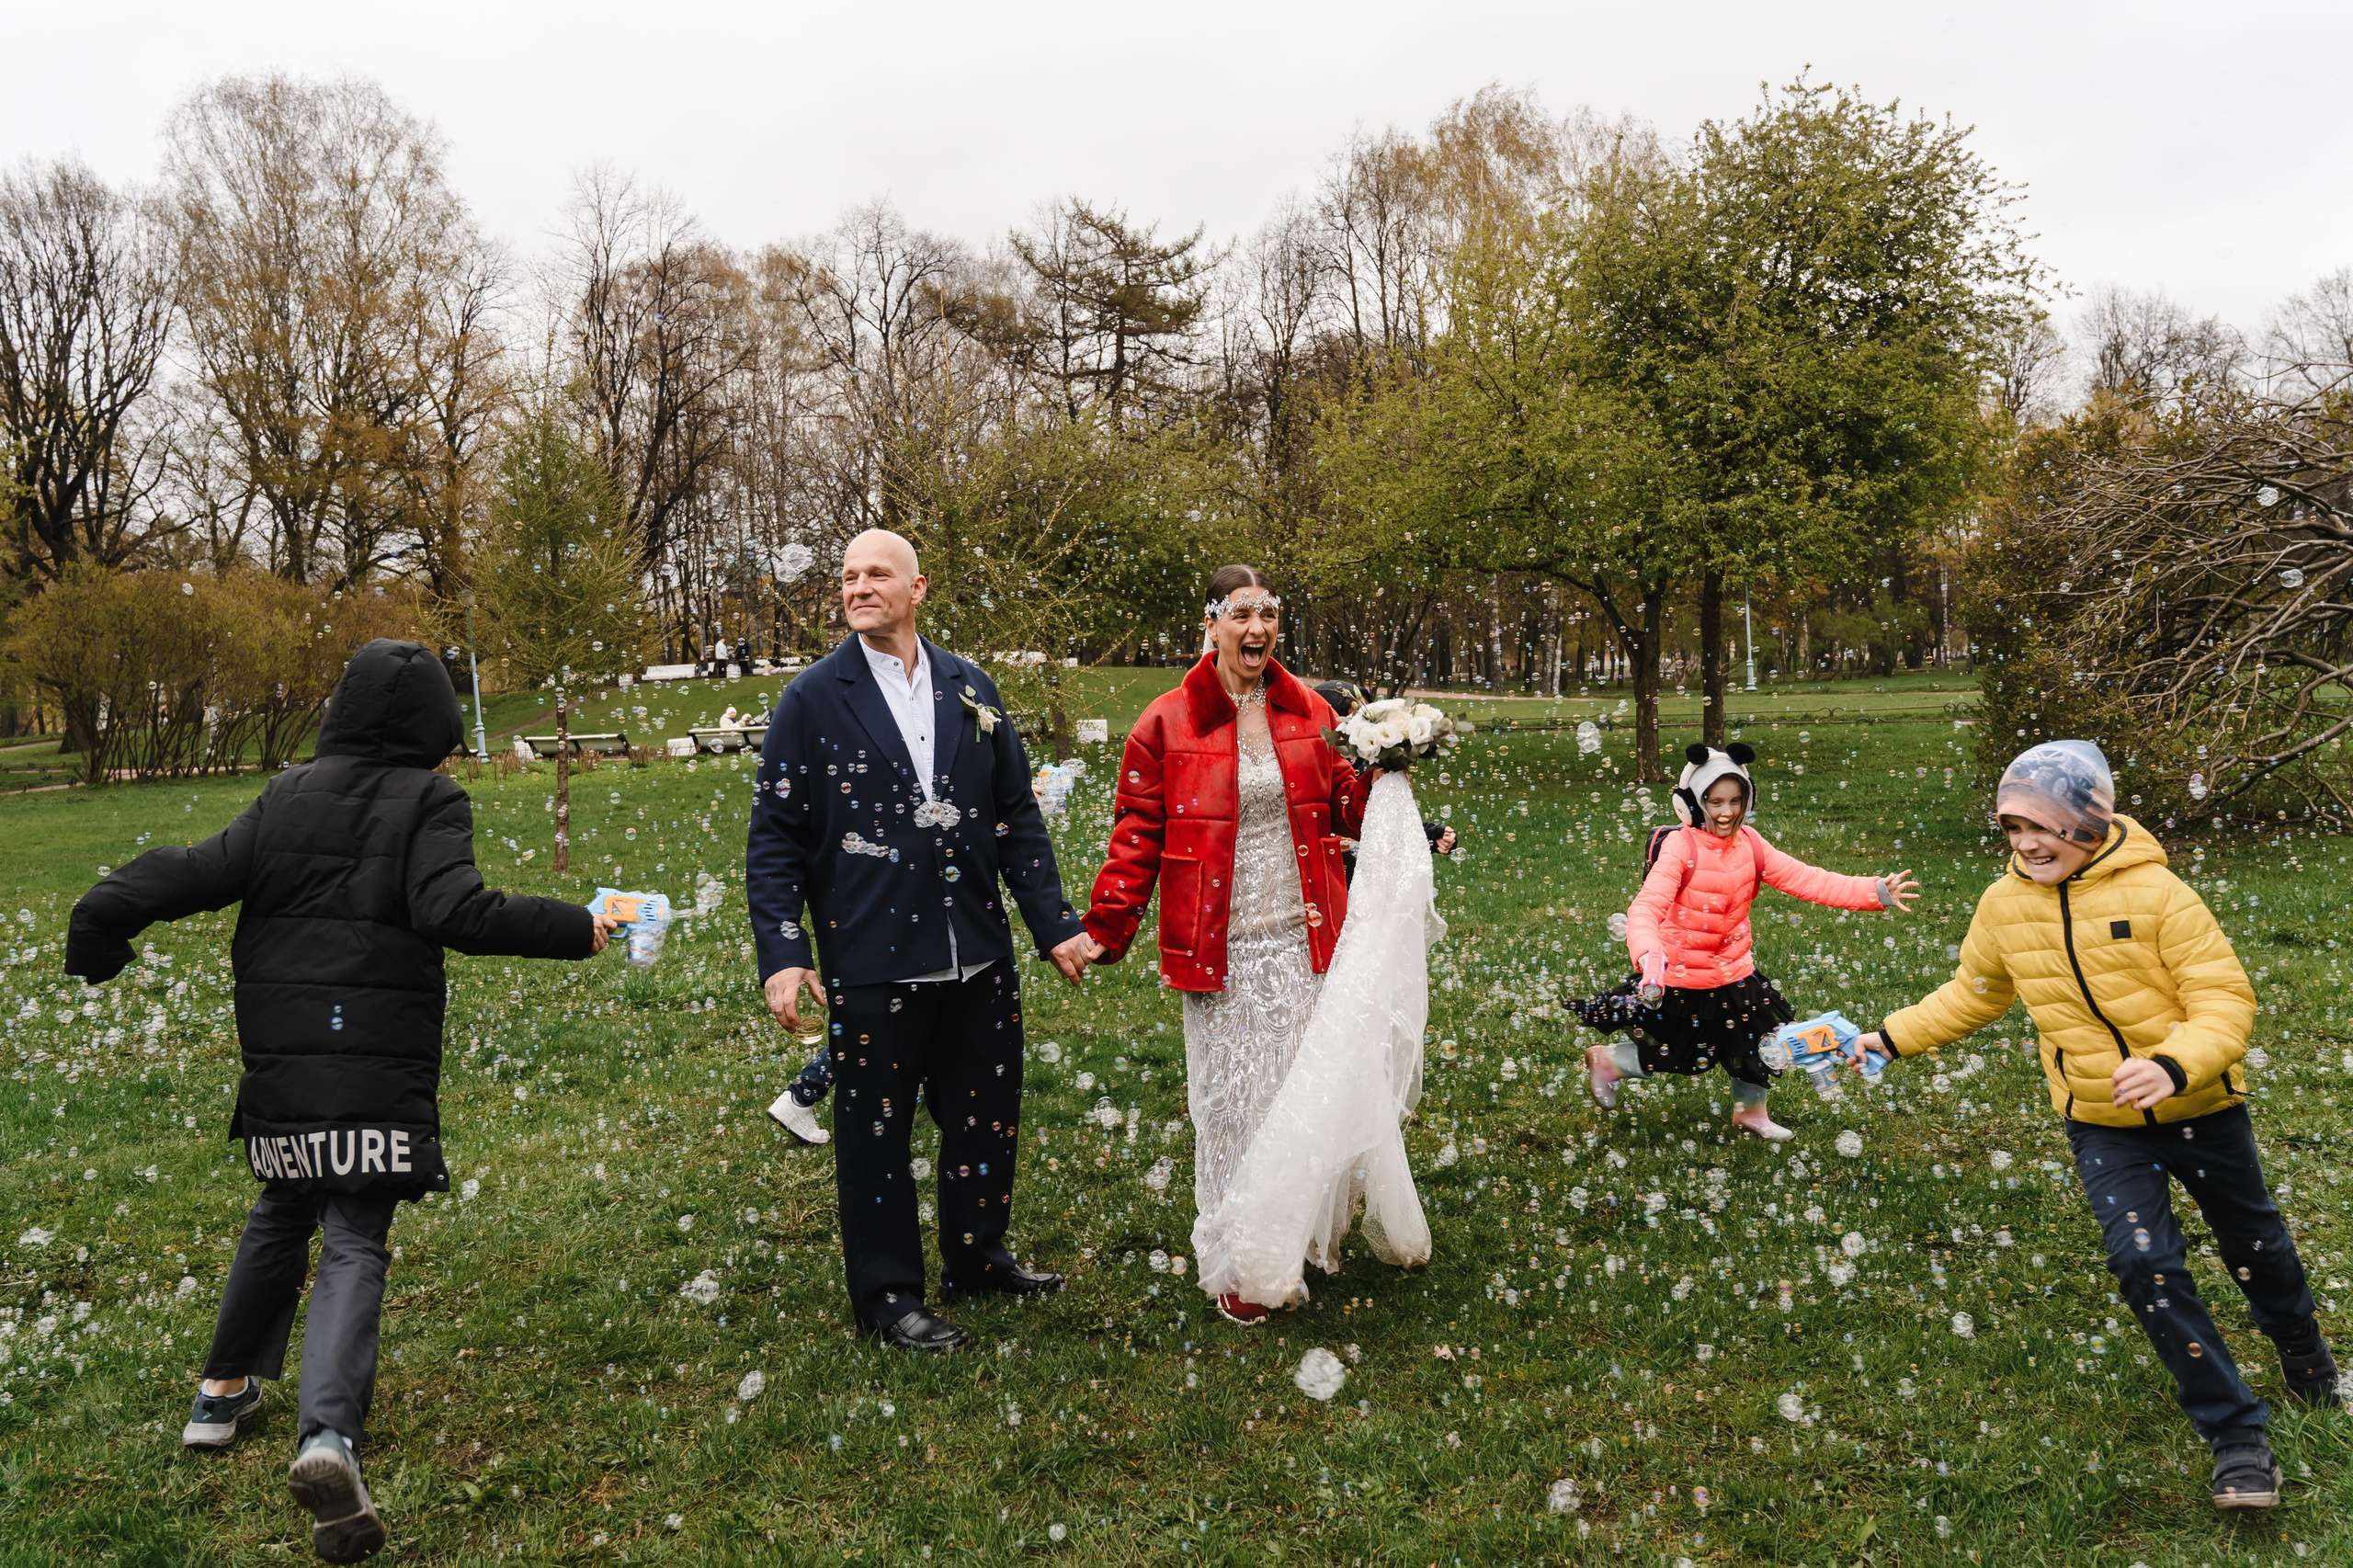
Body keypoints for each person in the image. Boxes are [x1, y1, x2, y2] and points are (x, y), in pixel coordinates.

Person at [63, 639, 617, 1563]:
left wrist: (101, 916)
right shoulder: (429, 798)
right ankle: (326, 1437)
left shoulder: (287, 793)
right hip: (373, 1066)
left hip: (282, 1060)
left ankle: (220, 1391)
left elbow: (192, 870)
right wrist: (575, 927)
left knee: (281, 1208)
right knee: (355, 1230)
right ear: (436, 724)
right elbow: (455, 909)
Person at [1847, 740, 2338, 1510]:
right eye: (2012, 828)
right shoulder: (2004, 904)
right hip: (2102, 1121)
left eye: (2043, 825)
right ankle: (2236, 1434)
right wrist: (1892, 1035)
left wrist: (2175, 1064)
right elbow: (1974, 992)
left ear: (2088, 818)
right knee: (2143, 1265)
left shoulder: (2160, 896)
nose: (2027, 843)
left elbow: (2225, 1001)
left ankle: (2303, 1353)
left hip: (2200, 1108)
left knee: (2256, 1245)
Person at [746, 528, 1097, 1352]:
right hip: (873, 954)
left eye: (877, 574)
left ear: (918, 588)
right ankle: (889, 1295)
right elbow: (775, 840)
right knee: (876, 1132)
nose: (858, 587)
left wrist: (1054, 926)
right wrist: (786, 952)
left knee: (985, 1116)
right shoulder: (811, 699)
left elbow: (1017, 816)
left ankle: (977, 1257)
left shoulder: (969, 687)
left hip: (976, 949)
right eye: (847, 576)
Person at [1084, 565, 1381, 1326]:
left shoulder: (1308, 709)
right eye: (1241, 613)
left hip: (1307, 938)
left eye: (1269, 613)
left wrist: (1390, 765)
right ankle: (1241, 1256)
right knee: (1233, 1106)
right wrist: (1105, 930)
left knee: (1302, 1099)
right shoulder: (1167, 721)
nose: (1257, 629)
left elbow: (1345, 803)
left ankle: (1295, 1236)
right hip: (1219, 947)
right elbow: (1137, 835)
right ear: (1210, 624)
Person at [1572, 742, 1919, 1141]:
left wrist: (1874, 891)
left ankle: (1751, 1113)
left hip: (1736, 973)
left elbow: (1808, 879)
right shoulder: (1679, 848)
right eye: (1715, 801)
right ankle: (1609, 1063)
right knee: (1681, 1052)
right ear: (1690, 803)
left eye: (1736, 800)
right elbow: (1646, 908)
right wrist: (1649, 955)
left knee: (1759, 1044)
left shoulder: (1751, 843)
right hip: (1682, 977)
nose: (1727, 812)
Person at [1311, 677, 1458, 877]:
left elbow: (1390, 825)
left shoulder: (1370, 770)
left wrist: (1433, 834)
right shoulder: (1309, 769)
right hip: (1323, 874)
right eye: (1353, 714)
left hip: (1365, 876)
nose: (1362, 722)